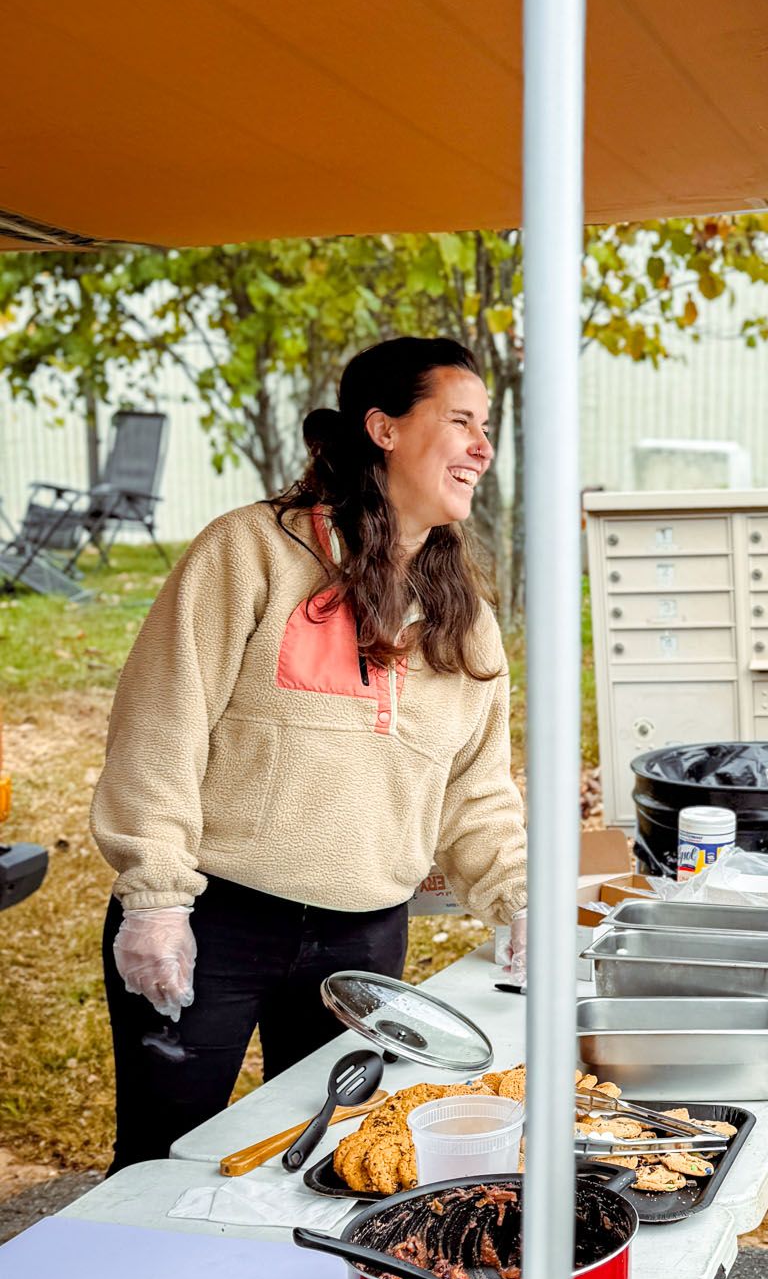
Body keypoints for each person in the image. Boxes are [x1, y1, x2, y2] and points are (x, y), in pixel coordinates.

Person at [91, 337, 528, 1169]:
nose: (483, 447)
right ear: (384, 428)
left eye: (488, 427)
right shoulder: (248, 551)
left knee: (331, 1160)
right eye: (462, 421)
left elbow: (477, 791)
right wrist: (153, 894)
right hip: (212, 920)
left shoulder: (462, 614)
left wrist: (518, 899)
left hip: (364, 939)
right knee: (158, 1162)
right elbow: (160, 727)